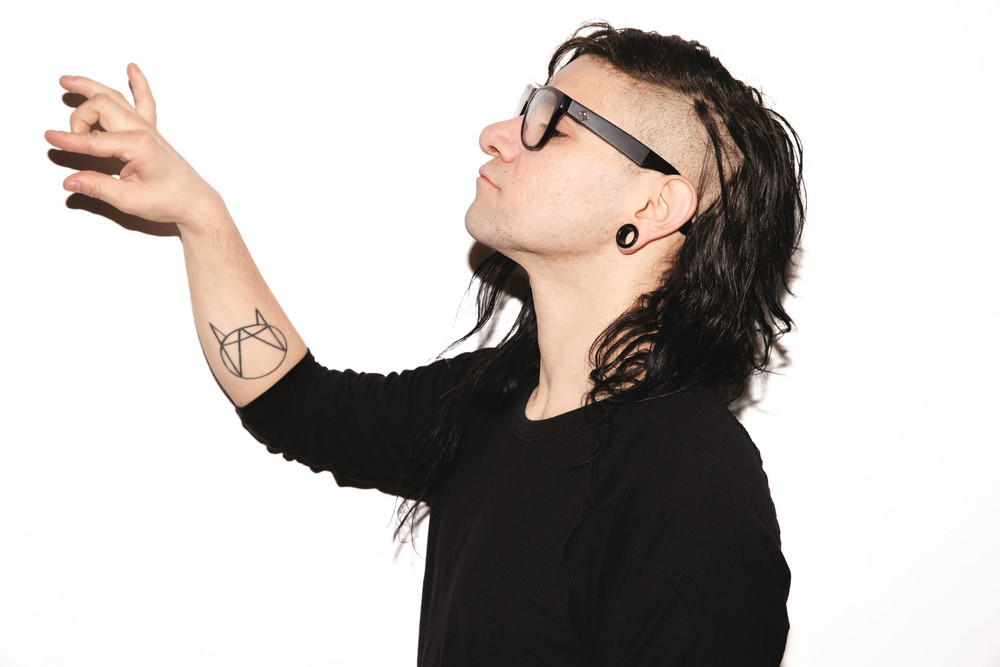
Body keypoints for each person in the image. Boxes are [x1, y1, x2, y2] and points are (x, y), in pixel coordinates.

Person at [46, 21, 803, 666]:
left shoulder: (689, 482)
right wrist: (197, 212)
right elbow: (296, 403)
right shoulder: (488, 402)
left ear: (656, 203)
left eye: (553, 123)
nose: (500, 135)